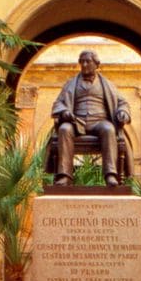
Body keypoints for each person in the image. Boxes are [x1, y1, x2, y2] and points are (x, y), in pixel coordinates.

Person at [50, 49, 131, 186]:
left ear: (96, 64)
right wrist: (64, 112)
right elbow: (58, 103)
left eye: (88, 61)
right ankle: (64, 176)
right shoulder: (70, 84)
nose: (85, 64)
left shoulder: (108, 85)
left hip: (99, 121)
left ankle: (110, 174)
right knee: (64, 129)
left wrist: (123, 112)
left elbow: (122, 102)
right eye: (82, 62)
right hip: (76, 121)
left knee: (109, 129)